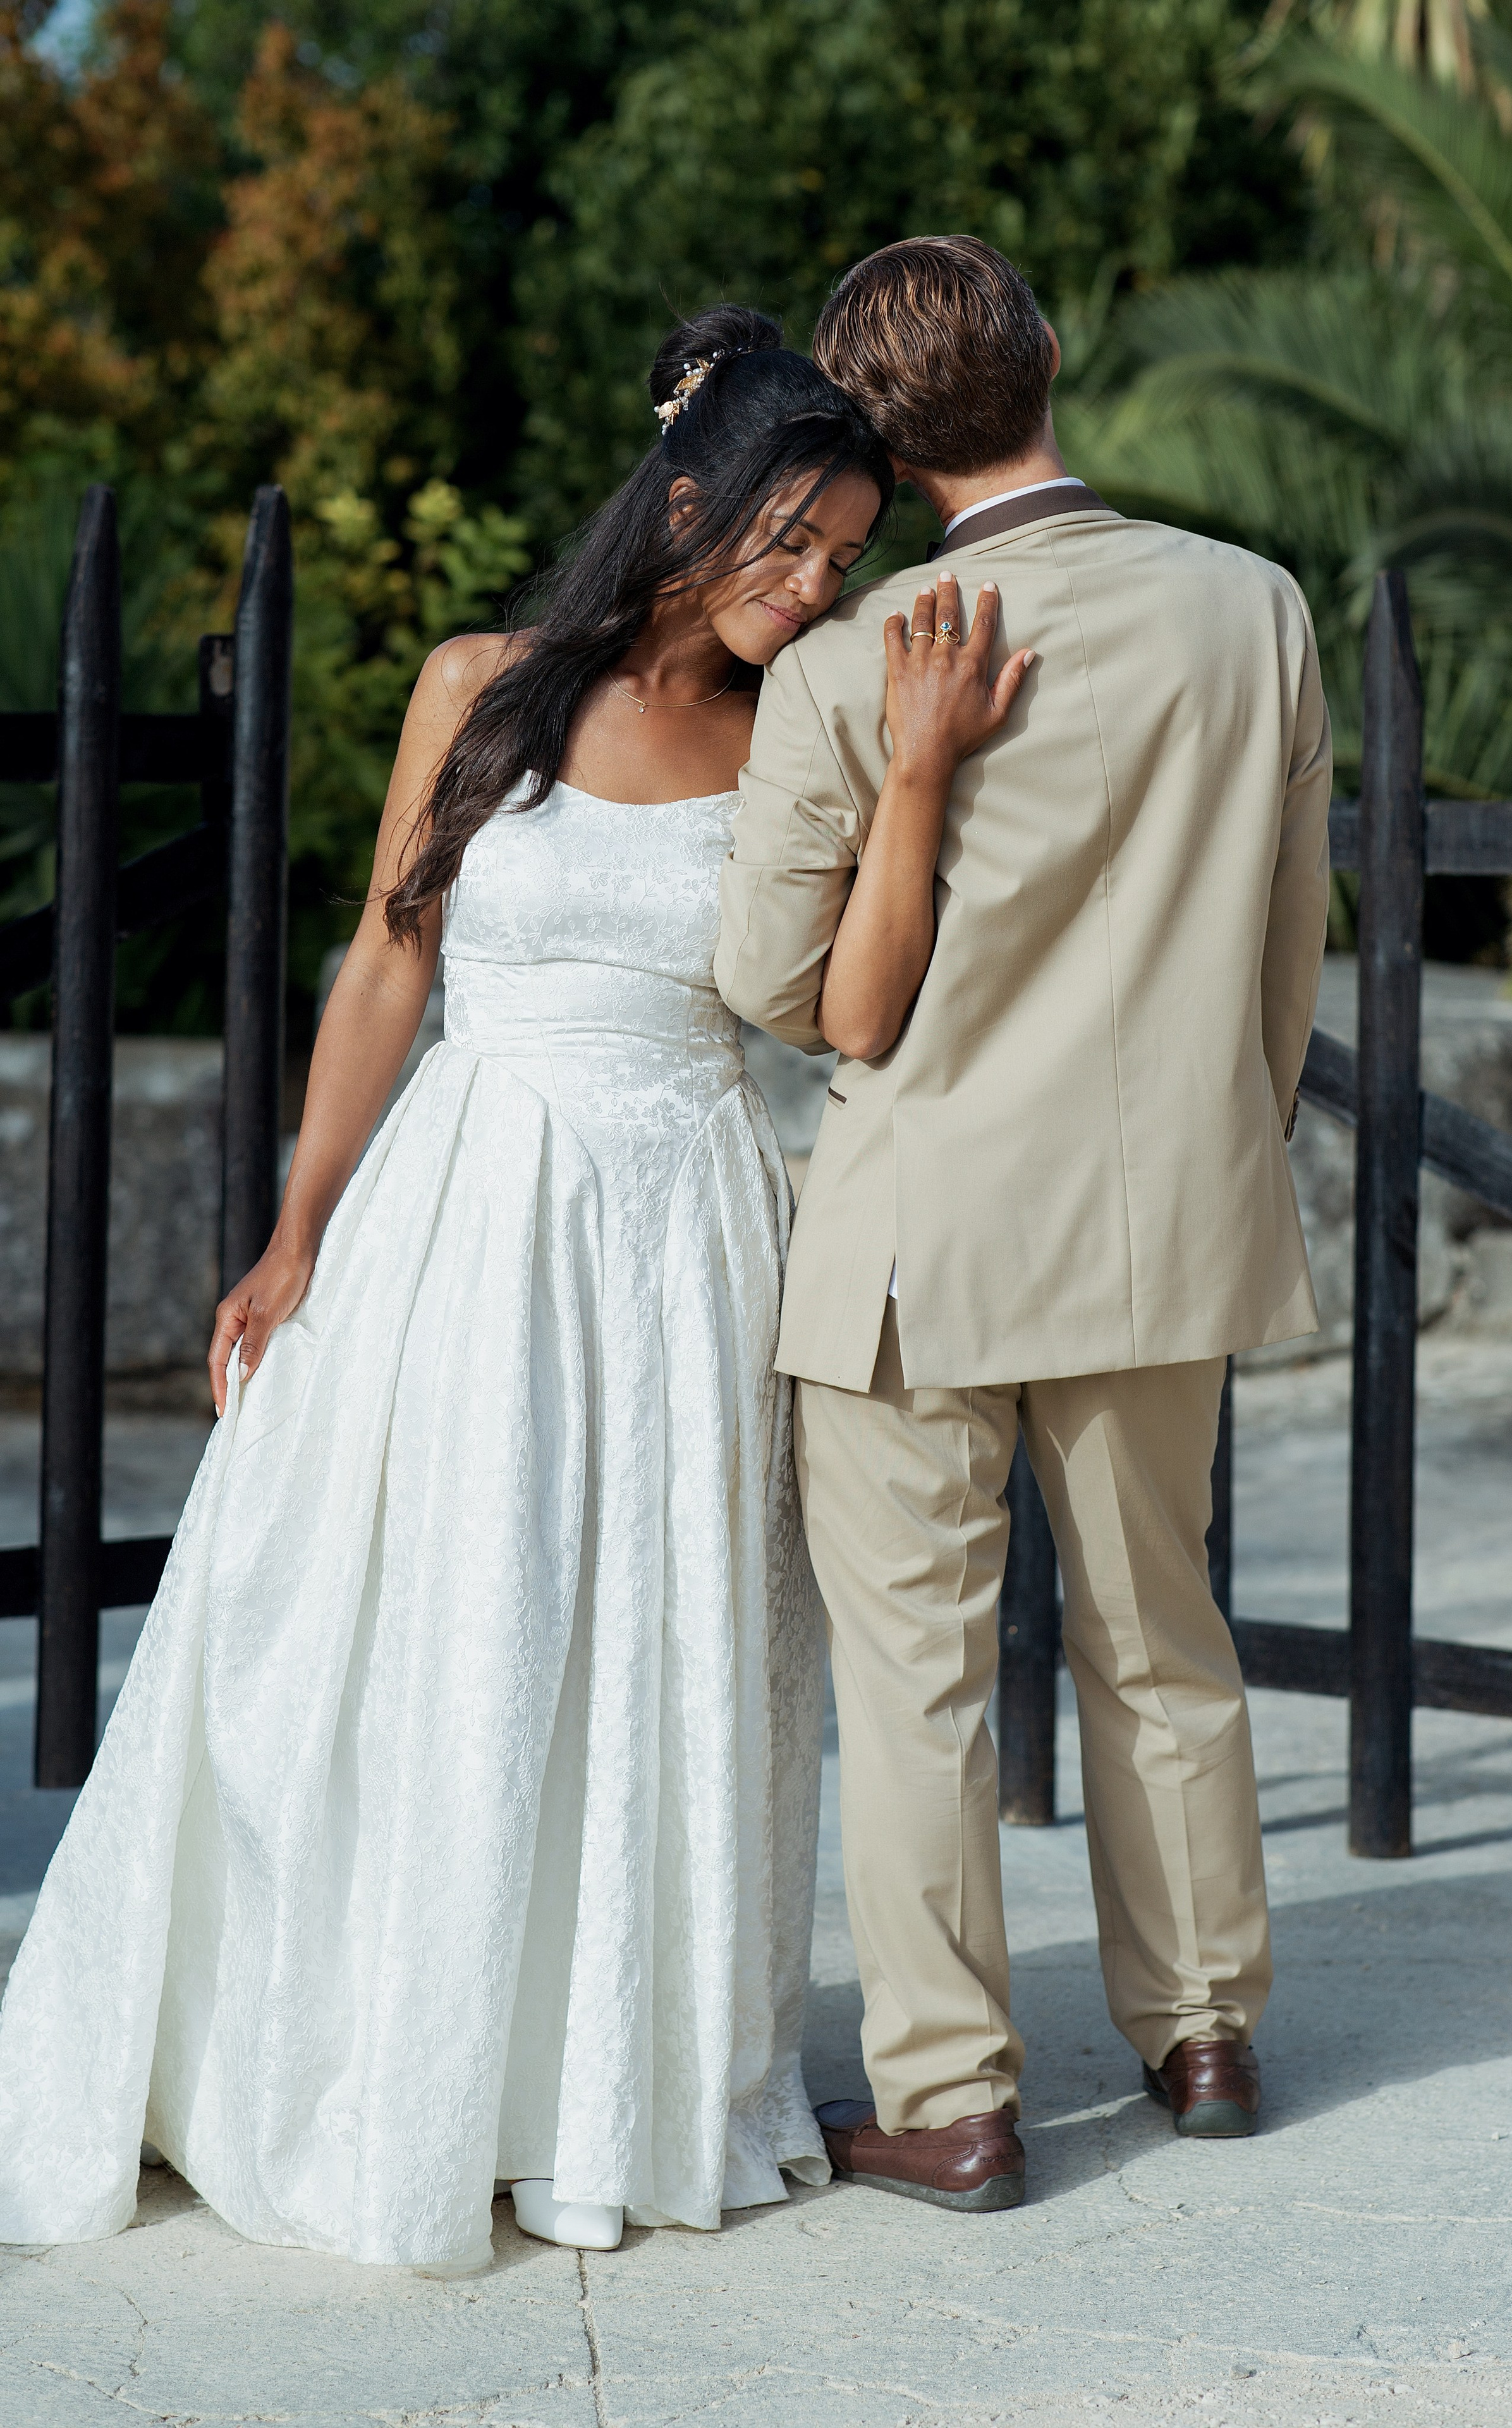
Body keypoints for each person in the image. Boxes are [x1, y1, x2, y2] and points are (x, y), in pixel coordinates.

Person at [0, 307, 1017, 2274]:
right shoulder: (484, 684)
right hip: (474, 1204)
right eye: (791, 540)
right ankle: (397, 2051)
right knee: (445, 1623)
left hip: (697, 1213)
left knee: (667, 1637)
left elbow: (854, 1008)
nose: (819, 582)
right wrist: (298, 1228)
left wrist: (914, 776)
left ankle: (605, 2079)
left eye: (848, 552)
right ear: (688, 499)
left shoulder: (805, 713)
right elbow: (391, 961)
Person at [717, 236, 1332, 2214]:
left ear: (873, 443)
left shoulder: (838, 666)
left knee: (921, 1681)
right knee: (1168, 1638)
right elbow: (1285, 951)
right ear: (1049, 357)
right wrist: (1218, 1133)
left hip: (917, 1247)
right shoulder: (1255, 612)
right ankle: (1207, 2030)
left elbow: (781, 990)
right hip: (1167, 1218)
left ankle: (959, 2096)